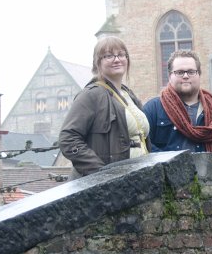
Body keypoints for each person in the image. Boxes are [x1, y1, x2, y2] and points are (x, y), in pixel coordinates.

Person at [59, 37, 149, 179]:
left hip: (136, 177)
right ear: (97, 62)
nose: (117, 59)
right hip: (108, 184)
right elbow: (68, 139)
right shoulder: (90, 95)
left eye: (121, 54)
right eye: (108, 56)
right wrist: (101, 173)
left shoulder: (129, 95)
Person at [143, 50, 212, 155]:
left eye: (191, 72)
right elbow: (144, 146)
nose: (185, 76)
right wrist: (174, 165)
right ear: (169, 76)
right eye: (179, 72)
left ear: (199, 75)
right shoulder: (152, 109)